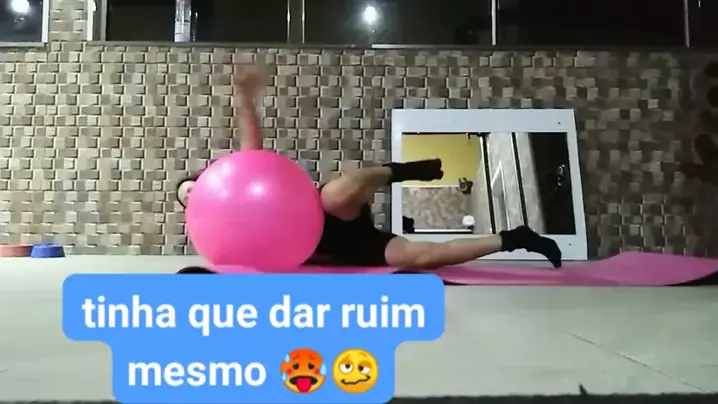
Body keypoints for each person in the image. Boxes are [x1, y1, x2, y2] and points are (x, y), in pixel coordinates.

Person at [176, 67, 562, 274]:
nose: (192, 197)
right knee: (424, 257)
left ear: (205, 181)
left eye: (191, 188)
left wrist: (245, 100)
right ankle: (516, 238)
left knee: (334, 195)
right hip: (341, 250)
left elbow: (251, 152)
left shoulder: (234, 184)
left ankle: (400, 170)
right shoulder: (219, 229)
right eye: (186, 201)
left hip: (319, 212)